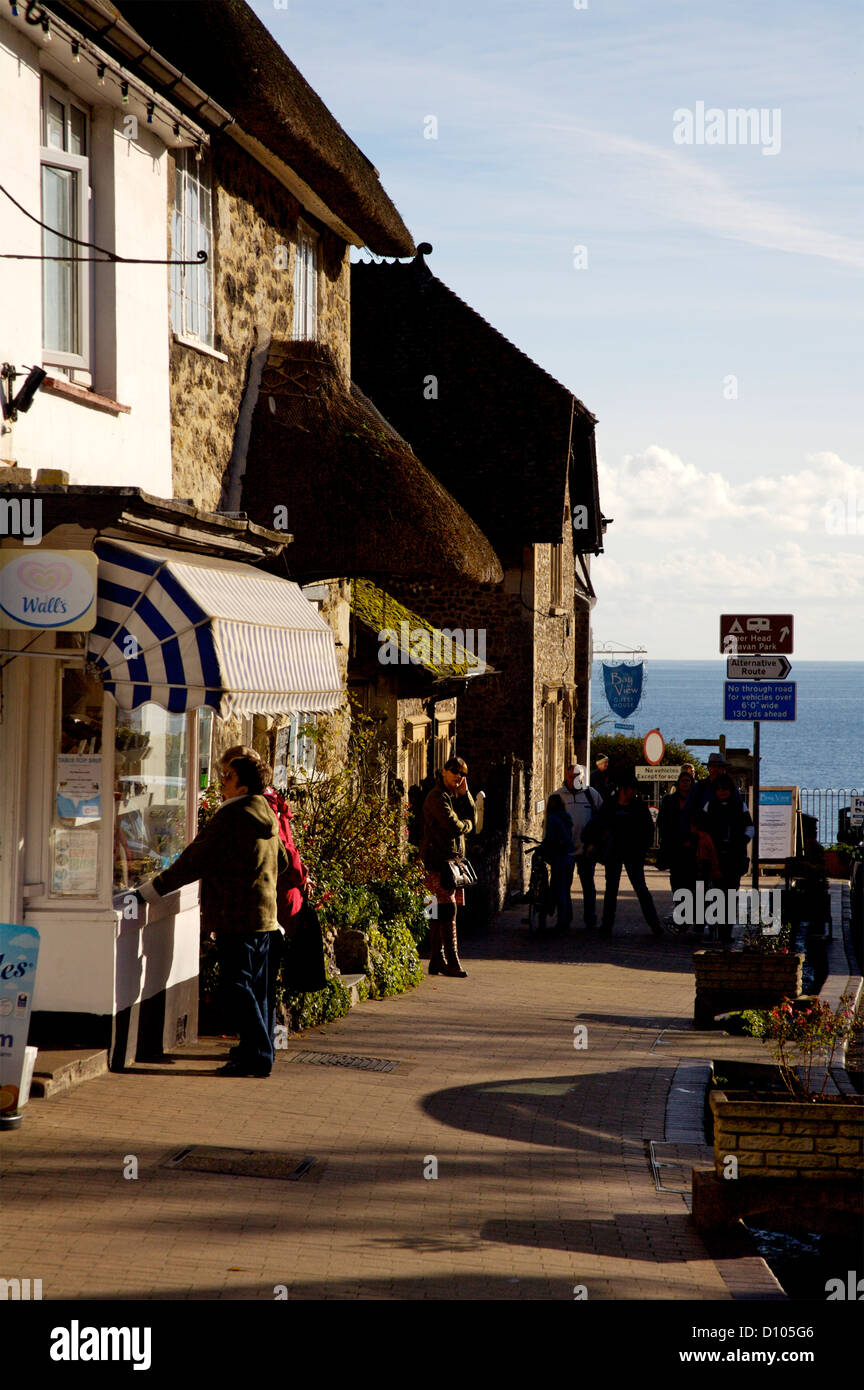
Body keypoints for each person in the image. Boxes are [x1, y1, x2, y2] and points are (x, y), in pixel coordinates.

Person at [138, 755, 288, 1076]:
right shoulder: (265, 814)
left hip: (238, 916)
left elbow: (195, 859)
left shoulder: (232, 817)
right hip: (265, 917)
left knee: (237, 986)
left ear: (243, 787)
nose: (222, 781)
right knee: (257, 989)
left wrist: (153, 890)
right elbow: (284, 861)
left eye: (228, 777)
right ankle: (257, 1049)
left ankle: (258, 1055)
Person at [420, 756, 475, 977]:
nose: (458, 776)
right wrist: (467, 826)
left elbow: (473, 815)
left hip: (447, 864)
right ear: (444, 771)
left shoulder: (452, 796)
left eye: (462, 773)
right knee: (442, 911)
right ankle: (449, 960)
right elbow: (453, 825)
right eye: (454, 771)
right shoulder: (437, 797)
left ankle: (437, 960)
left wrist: (466, 794)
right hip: (436, 864)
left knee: (438, 912)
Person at [598, 776, 662, 936]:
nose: (633, 793)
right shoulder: (610, 805)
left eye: (635, 790)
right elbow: (600, 825)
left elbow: (648, 829)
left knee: (641, 889)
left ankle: (654, 925)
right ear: (623, 789)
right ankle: (606, 926)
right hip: (614, 852)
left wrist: (643, 848)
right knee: (611, 890)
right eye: (631, 789)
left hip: (634, 854)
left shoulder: (639, 807)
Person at [697, 772, 754, 942]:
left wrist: (742, 841)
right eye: (719, 788)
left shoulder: (739, 805)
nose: (722, 791)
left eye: (725, 788)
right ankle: (714, 930)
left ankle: (725, 932)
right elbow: (701, 827)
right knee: (715, 894)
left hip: (734, 857)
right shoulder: (709, 806)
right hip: (715, 857)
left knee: (730, 895)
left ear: (730, 790)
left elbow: (750, 828)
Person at [556, 763, 604, 930]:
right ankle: (564, 920)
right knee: (564, 886)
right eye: (570, 776)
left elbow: (601, 820)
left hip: (586, 850)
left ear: (582, 777)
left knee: (588, 886)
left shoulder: (592, 795)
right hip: (565, 850)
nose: (573, 779)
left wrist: (596, 844)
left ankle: (590, 919)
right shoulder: (558, 796)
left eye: (576, 776)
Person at [657, 769, 698, 902]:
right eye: (683, 781)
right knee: (676, 880)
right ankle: (680, 909)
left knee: (692, 881)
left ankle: (691, 911)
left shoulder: (696, 801)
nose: (685, 783)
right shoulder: (669, 800)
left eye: (688, 781)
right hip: (674, 847)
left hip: (693, 848)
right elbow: (662, 821)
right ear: (678, 783)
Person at [539, 793, 577, 931]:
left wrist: (544, 849)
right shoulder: (567, 818)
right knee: (566, 889)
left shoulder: (552, 819)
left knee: (558, 888)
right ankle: (567, 917)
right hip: (570, 856)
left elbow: (551, 838)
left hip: (559, 857)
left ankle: (562, 922)